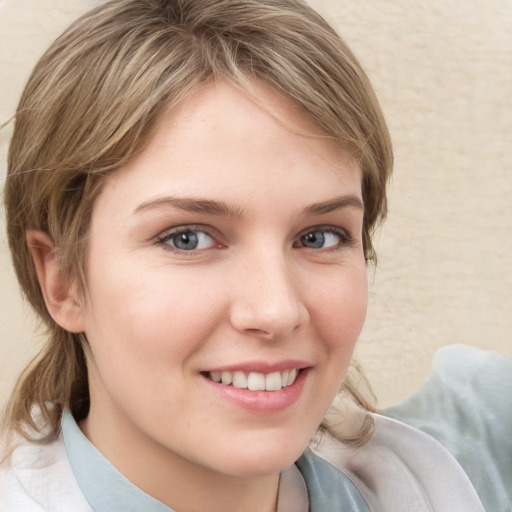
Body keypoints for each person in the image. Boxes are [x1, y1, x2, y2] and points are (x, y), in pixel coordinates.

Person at [0, 0, 510, 510]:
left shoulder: (456, 470)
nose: (276, 310)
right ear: (62, 279)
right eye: (188, 238)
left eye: (319, 237)